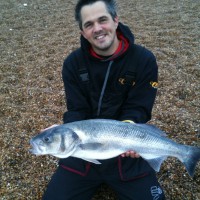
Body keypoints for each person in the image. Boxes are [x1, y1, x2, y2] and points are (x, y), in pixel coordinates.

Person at [43, 0, 165, 199]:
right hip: (81, 152)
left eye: (103, 20)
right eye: (89, 24)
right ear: (82, 32)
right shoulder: (73, 63)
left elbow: (139, 107)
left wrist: (130, 133)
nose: (97, 29)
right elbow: (77, 109)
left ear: (116, 21)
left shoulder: (144, 59)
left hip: (127, 151)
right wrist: (62, 131)